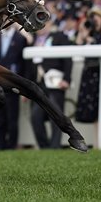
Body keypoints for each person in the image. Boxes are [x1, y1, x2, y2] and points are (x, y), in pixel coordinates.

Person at [74, 8, 101, 148]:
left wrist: (90, 39)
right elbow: (77, 45)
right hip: (89, 73)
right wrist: (83, 33)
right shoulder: (89, 33)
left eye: (96, 17)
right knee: (93, 111)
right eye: (91, 17)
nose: (94, 20)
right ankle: (97, 142)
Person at [28, 21, 73, 149]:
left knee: (56, 116)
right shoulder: (33, 40)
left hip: (55, 82)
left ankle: (55, 146)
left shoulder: (60, 37)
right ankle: (44, 146)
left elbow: (68, 59)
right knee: (35, 117)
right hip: (38, 84)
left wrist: (67, 79)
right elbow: (29, 66)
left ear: (49, 24)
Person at [0, 23, 30, 150]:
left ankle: (11, 146)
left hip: (13, 84)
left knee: (12, 118)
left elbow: (25, 65)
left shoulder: (20, 38)